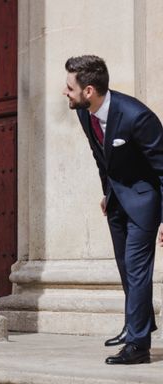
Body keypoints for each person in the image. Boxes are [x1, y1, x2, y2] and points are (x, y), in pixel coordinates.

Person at [63, 55, 163, 365]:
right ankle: (135, 324)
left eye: (70, 87)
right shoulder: (85, 114)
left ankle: (138, 345)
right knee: (124, 266)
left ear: (89, 90)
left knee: (136, 268)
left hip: (145, 201)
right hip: (118, 200)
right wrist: (107, 192)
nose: (65, 92)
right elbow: (101, 158)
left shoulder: (137, 117)